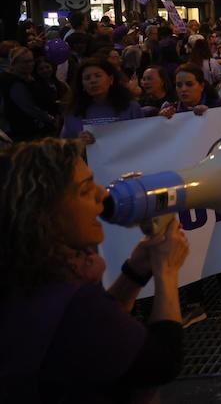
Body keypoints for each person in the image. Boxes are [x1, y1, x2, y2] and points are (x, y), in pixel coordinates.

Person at [0, 138, 190, 402]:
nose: (103, 195)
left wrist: (134, 273)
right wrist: (166, 271)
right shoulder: (72, 303)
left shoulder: (32, 276)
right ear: (46, 213)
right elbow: (160, 363)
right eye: (85, 189)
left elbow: (94, 334)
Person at [61, 58, 143, 140]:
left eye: (98, 76)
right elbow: (63, 145)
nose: (93, 81)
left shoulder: (131, 108)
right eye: (87, 78)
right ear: (82, 84)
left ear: (111, 79)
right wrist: (78, 142)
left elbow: (143, 139)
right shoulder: (73, 113)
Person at [1, 47, 57, 141]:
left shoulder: (29, 77)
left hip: (31, 129)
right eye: (25, 62)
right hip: (21, 132)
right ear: (14, 63)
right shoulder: (12, 81)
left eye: (31, 61)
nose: (30, 64)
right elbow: (29, 108)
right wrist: (49, 118)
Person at [157, 63, 221, 119]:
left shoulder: (218, 106)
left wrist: (211, 114)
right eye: (179, 85)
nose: (183, 89)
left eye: (189, 84)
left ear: (201, 86)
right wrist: (161, 119)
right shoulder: (170, 111)